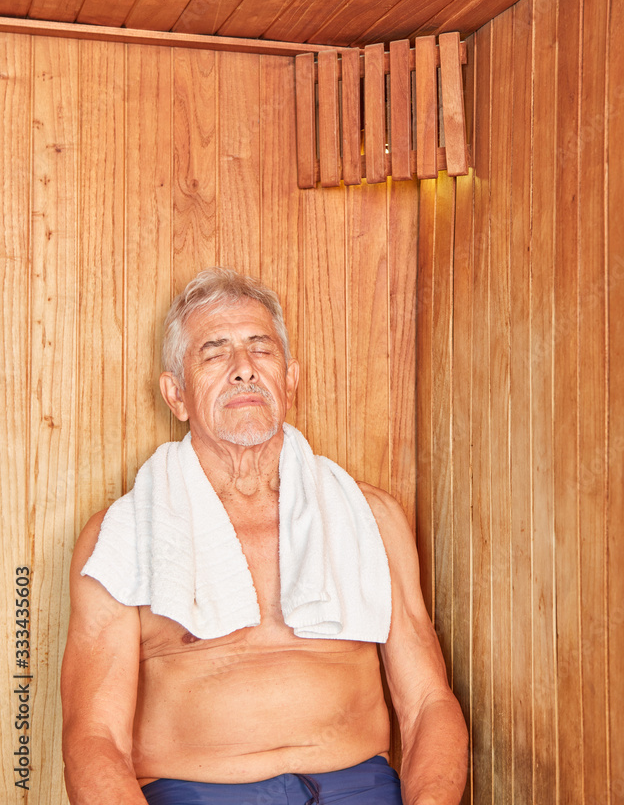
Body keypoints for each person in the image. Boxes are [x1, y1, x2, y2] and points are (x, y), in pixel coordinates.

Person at [61, 268, 468, 805]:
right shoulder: (121, 538)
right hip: (203, 793)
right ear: (176, 394)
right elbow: (94, 739)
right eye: (214, 352)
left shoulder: (370, 518)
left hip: (358, 788)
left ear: (290, 381)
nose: (243, 371)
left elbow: (428, 706)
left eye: (261, 350)